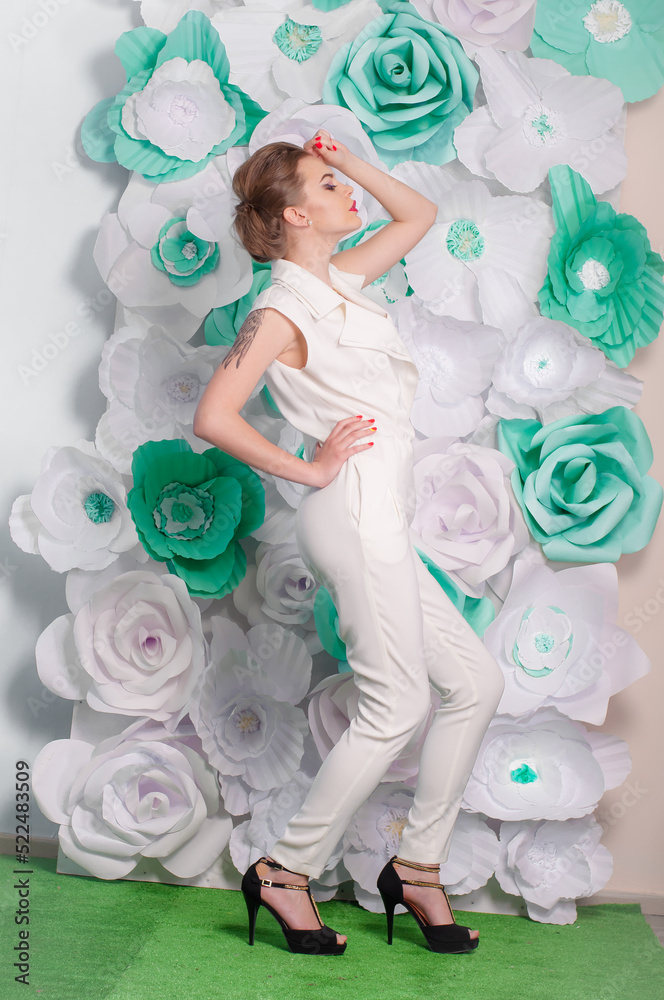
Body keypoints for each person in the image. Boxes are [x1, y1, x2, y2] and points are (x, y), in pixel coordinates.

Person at [193, 130, 505, 956]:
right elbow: (213, 415)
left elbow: (420, 214)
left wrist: (346, 159)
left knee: (475, 682)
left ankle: (419, 869)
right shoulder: (282, 308)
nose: (346, 192)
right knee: (395, 704)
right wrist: (309, 466)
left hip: (381, 516)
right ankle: (285, 872)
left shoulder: (341, 281)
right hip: (354, 511)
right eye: (327, 185)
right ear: (296, 213)